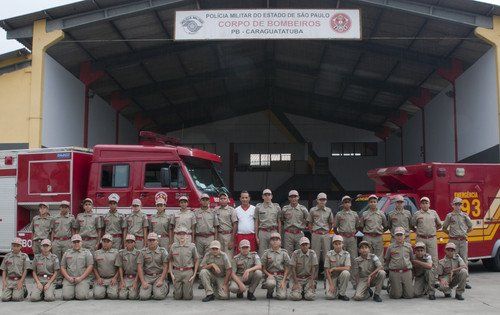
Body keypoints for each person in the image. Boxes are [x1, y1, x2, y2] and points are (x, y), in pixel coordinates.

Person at [442, 197, 473, 289]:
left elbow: (471, 227)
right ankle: (451, 279)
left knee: (464, 259)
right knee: (452, 260)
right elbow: (444, 228)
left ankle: (465, 281)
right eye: (456, 204)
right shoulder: (449, 216)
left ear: (461, 205)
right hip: (453, 241)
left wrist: (464, 233)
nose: (457, 206)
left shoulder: (465, 215)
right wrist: (451, 234)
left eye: (459, 204)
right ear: (453, 205)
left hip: (463, 241)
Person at [334, 195, 360, 286]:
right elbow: (335, 227)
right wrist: (339, 236)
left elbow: (357, 227)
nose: (347, 204)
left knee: (353, 259)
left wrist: (352, 233)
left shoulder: (355, 214)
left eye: (348, 202)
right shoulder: (339, 214)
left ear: (351, 204)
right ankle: (340, 280)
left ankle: (354, 282)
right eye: (345, 202)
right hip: (342, 237)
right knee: (341, 258)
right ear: (342, 204)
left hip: (352, 238)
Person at [411, 196, 442, 271]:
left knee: (434, 258)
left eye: (426, 203)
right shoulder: (417, 214)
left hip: (432, 239)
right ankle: (421, 276)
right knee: (420, 257)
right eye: (423, 203)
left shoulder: (433, 213)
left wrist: (433, 231)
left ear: (429, 204)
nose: (424, 205)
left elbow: (439, 224)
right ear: (420, 205)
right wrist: (417, 231)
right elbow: (412, 225)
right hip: (420, 238)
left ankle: (434, 278)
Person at [60, 234, 94, 300]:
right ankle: (73, 290)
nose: (76, 244)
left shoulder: (86, 252)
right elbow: (62, 267)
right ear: (71, 243)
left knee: (82, 297)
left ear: (81, 242)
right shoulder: (67, 253)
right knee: (66, 297)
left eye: (78, 242)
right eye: (74, 242)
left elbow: (90, 266)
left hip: (82, 279)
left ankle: (80, 290)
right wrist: (68, 277)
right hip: (69, 279)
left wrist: (81, 278)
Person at [169, 227, 199, 300]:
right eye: (179, 234)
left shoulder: (192, 246)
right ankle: (178, 291)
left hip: (188, 272)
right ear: (177, 236)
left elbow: (196, 260)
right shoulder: (173, 246)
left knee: (187, 297)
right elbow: (170, 260)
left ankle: (187, 290)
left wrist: (194, 274)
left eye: (184, 234)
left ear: (187, 236)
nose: (181, 236)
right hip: (177, 272)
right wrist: (171, 274)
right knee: (177, 297)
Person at [385, 226, 414, 299]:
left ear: (404, 236)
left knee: (409, 295)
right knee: (396, 296)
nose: (399, 237)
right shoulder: (390, 247)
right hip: (395, 272)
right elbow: (387, 259)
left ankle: (401, 288)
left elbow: (411, 258)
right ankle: (391, 286)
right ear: (394, 236)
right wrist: (388, 271)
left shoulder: (409, 246)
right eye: (397, 235)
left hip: (406, 271)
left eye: (401, 235)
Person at [138, 232, 169, 300]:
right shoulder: (143, 252)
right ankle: (152, 290)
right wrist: (143, 281)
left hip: (158, 276)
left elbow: (166, 266)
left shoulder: (162, 251)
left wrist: (161, 280)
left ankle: (164, 286)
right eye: (150, 240)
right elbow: (140, 267)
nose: (151, 242)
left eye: (153, 240)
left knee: (158, 296)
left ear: (157, 241)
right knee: (143, 297)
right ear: (147, 241)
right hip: (147, 277)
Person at [51, 200, 75, 287]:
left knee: (68, 260)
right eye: (62, 207)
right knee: (57, 261)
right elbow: (53, 231)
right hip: (56, 241)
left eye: (66, 207)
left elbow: (73, 230)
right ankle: (59, 279)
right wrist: (52, 242)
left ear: (68, 208)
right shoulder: (54, 218)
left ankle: (67, 278)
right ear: (60, 208)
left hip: (67, 241)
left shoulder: (71, 218)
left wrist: (72, 242)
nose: (64, 209)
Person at [359, 195, 388, 264]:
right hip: (368, 236)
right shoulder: (364, 214)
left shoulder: (381, 214)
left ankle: (379, 271)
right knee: (366, 254)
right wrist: (367, 232)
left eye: (374, 202)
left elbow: (386, 226)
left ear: (377, 203)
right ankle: (367, 272)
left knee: (379, 256)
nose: (373, 203)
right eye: (371, 202)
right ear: (369, 203)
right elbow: (360, 227)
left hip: (378, 237)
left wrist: (380, 232)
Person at [261, 232, 290, 300]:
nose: (275, 241)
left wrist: (284, 280)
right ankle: (270, 292)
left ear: (280, 242)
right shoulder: (266, 253)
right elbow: (263, 267)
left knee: (282, 297)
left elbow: (287, 268)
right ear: (270, 242)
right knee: (270, 284)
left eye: (277, 240)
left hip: (281, 276)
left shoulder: (284, 253)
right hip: (270, 275)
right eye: (273, 240)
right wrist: (268, 275)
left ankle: (280, 290)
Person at [307, 192, 333, 266]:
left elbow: (331, 223)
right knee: (315, 255)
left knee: (327, 255)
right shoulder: (312, 210)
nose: (322, 201)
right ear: (317, 200)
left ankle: (326, 276)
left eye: (324, 200)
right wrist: (312, 232)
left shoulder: (329, 210)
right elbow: (310, 223)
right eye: (320, 199)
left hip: (326, 234)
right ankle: (314, 275)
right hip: (316, 234)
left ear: (326, 200)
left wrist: (328, 232)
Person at [289, 237, 318, 301]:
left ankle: (305, 291)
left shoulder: (312, 253)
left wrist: (311, 281)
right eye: (303, 245)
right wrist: (295, 282)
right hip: (298, 278)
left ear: (309, 245)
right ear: (300, 246)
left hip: (308, 278)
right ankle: (300, 291)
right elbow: (292, 268)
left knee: (310, 297)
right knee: (295, 297)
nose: (304, 246)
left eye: (306, 244)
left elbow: (314, 268)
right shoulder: (295, 253)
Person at [255, 189, 281, 258]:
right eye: (265, 195)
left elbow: (279, 222)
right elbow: (256, 222)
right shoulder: (258, 207)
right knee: (262, 253)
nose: (267, 197)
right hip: (262, 232)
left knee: (274, 251)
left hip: (273, 231)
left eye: (269, 195)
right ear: (262, 197)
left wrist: (279, 234)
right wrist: (256, 236)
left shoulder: (277, 207)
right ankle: (262, 268)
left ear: (271, 196)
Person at [281, 190, 309, 255]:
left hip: (299, 233)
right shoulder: (285, 209)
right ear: (289, 198)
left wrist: (303, 225)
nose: (293, 199)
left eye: (295, 197)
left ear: (298, 197)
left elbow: (308, 220)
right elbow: (282, 220)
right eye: (291, 197)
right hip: (288, 233)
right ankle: (289, 265)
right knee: (287, 253)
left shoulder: (303, 209)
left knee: (300, 253)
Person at [93, 234, 119, 299]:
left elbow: (120, 268)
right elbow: (94, 268)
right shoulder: (96, 253)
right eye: (104, 241)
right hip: (101, 279)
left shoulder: (116, 253)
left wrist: (115, 278)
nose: (105, 243)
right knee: (98, 296)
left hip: (112, 279)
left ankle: (108, 290)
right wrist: (98, 278)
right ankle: (103, 290)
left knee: (113, 296)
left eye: (108, 241)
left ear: (112, 243)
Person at [324, 235, 350, 301]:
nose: (338, 246)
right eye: (336, 244)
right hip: (332, 277)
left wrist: (335, 268)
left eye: (339, 244)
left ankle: (342, 294)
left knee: (346, 273)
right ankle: (331, 290)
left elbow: (347, 268)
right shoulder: (329, 254)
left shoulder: (346, 254)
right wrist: (331, 285)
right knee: (330, 297)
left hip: (341, 276)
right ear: (333, 244)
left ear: (342, 244)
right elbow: (327, 270)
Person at [194, 193, 219, 261]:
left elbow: (216, 227)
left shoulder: (213, 212)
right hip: (199, 237)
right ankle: (199, 271)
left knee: (209, 256)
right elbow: (194, 227)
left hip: (210, 237)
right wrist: (193, 239)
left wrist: (215, 239)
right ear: (200, 201)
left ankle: (207, 271)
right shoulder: (196, 212)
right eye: (203, 200)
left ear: (209, 201)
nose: (205, 201)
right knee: (198, 256)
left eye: (206, 200)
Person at [116, 234, 140, 300]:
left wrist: (136, 281)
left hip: (135, 278)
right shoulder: (121, 253)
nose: (129, 243)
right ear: (125, 243)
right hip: (125, 278)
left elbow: (140, 269)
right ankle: (127, 289)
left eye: (131, 242)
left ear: (134, 243)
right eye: (128, 242)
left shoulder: (138, 253)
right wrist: (121, 280)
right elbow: (120, 267)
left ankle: (135, 290)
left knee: (132, 296)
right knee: (122, 296)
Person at [216, 192, 237, 258]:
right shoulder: (216, 210)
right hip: (219, 235)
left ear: (228, 200)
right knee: (219, 256)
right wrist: (216, 239)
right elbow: (215, 225)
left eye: (224, 198)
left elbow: (235, 224)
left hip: (228, 235)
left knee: (228, 257)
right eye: (221, 198)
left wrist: (232, 240)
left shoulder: (231, 210)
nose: (222, 200)